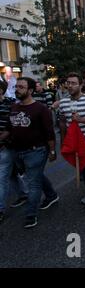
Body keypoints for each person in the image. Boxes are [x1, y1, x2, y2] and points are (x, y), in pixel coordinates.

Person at [9, 77, 58, 228]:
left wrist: (52, 150)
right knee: (36, 176)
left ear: (30, 90)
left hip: (36, 151)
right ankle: (51, 195)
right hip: (18, 152)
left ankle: (31, 215)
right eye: (16, 87)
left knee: (33, 184)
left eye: (21, 87)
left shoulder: (41, 109)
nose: (17, 89)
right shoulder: (14, 107)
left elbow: (50, 133)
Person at [59, 72, 85, 209]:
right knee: (81, 168)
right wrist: (63, 141)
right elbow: (63, 122)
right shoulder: (63, 102)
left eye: (73, 83)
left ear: (81, 85)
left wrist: (80, 120)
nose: (69, 86)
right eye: (68, 83)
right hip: (74, 141)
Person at [0, 80, 15, 223]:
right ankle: (24, 193)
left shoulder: (11, 103)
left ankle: (0, 209)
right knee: (11, 175)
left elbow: (14, 124)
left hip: (6, 147)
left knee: (2, 179)